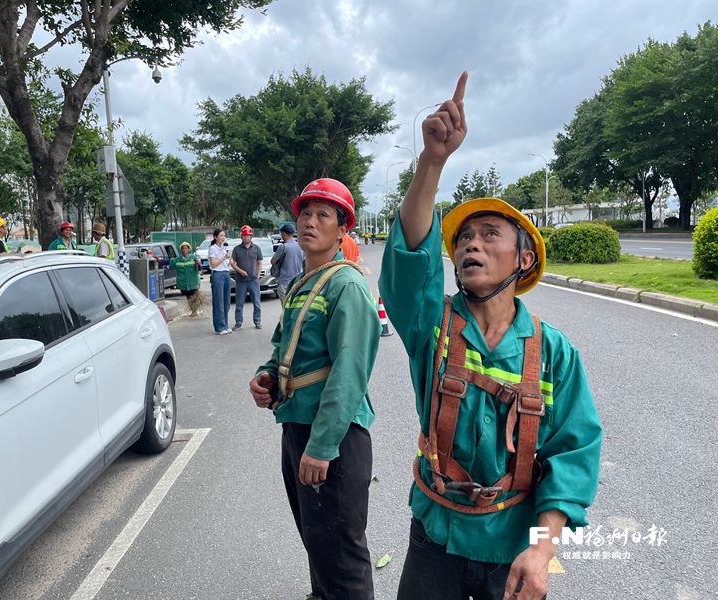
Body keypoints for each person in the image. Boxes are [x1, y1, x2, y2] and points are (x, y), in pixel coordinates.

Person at [379, 72, 602, 600]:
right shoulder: (432, 326)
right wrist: (432, 160)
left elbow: (573, 453)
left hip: (513, 550)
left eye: (488, 235)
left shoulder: (553, 353)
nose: (470, 246)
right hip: (437, 539)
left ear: (523, 259)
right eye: (464, 239)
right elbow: (410, 260)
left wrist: (543, 549)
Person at [248, 178, 381, 600]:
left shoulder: (347, 286)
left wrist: (323, 447)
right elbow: (285, 348)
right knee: (318, 540)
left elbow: (350, 372)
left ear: (343, 229)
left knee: (342, 553)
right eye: (305, 213)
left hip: (333, 438)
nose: (310, 221)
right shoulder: (306, 284)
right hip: (298, 426)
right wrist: (267, 375)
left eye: (323, 214)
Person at [230, 225, 263, 330]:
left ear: (251, 236)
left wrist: (257, 276)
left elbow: (260, 263)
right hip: (241, 281)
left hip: (253, 281)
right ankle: (238, 323)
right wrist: (240, 271)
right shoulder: (236, 249)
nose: (246, 238)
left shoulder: (257, 248)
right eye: (244, 236)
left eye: (248, 236)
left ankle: (257, 321)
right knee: (239, 303)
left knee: (257, 303)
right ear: (241, 236)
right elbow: (232, 263)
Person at [271, 222, 304, 306]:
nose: (281, 235)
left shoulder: (283, 247)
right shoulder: (301, 246)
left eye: (281, 233)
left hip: (284, 282)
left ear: (284, 233)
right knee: (294, 306)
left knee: (286, 307)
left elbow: (272, 261)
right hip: (297, 282)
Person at [208, 228, 232, 335]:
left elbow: (226, 261)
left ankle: (225, 325)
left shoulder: (225, 248)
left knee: (226, 301)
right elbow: (213, 264)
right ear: (215, 237)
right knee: (219, 302)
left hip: (226, 273)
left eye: (224, 235)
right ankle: (219, 327)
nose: (223, 237)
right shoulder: (212, 249)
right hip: (218, 274)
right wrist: (224, 257)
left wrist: (230, 260)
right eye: (221, 235)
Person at [171, 241, 203, 317]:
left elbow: (199, 268)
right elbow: (170, 263)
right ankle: (193, 310)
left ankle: (195, 310)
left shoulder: (193, 258)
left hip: (193, 281)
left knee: (195, 296)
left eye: (186, 248)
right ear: (181, 250)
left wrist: (198, 264)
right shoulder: (178, 260)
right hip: (184, 283)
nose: (184, 250)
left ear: (188, 249)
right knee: (188, 297)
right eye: (183, 248)